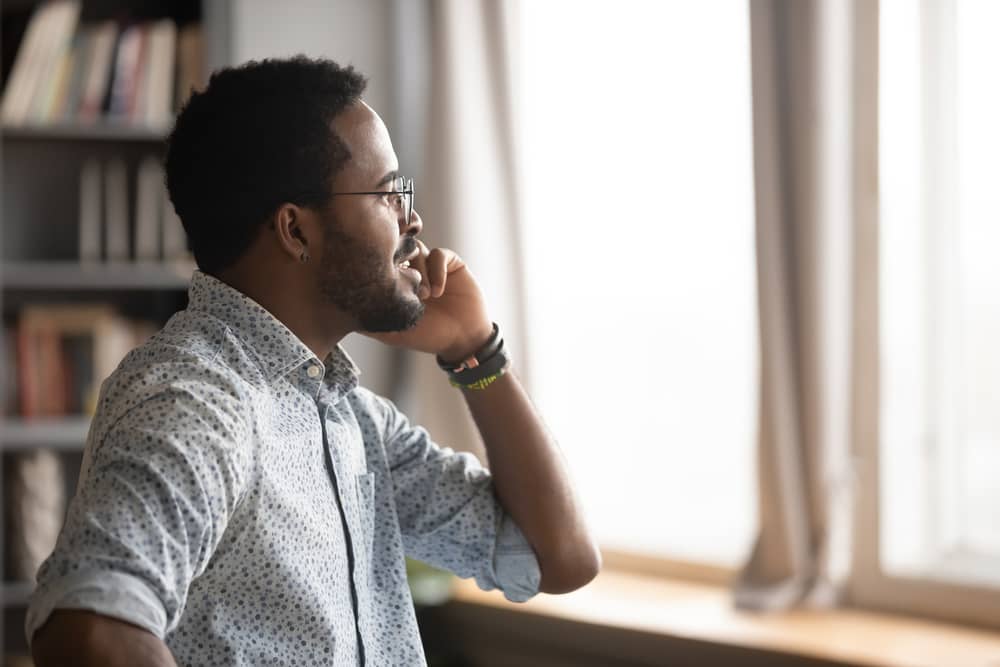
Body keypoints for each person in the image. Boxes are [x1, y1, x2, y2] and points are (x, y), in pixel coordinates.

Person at [25, 56, 600, 666]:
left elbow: (555, 558)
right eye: (387, 194)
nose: (414, 221)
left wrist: (475, 351)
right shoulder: (197, 399)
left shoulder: (350, 417)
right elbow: (88, 630)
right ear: (296, 231)